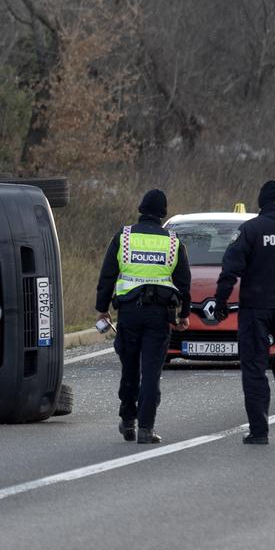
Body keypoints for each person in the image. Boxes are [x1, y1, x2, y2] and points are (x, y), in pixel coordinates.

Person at [214, 180, 275, 445]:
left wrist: (221, 302)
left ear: (261, 202)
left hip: (255, 308)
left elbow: (230, 267)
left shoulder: (250, 230)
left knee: (255, 367)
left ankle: (259, 431)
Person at [96, 189, 192, 445]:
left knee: (129, 369)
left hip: (129, 314)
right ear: (163, 214)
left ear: (140, 209)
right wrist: (184, 314)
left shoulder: (124, 237)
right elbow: (184, 282)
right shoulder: (172, 242)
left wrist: (102, 307)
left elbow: (108, 274)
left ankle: (128, 420)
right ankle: (146, 429)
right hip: (159, 316)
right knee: (151, 373)